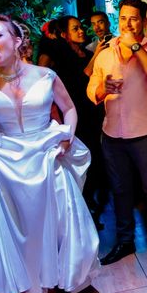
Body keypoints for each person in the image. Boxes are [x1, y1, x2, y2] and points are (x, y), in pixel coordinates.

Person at [0, 14, 99, 293]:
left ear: (17, 40)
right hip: (7, 162)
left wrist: (67, 135)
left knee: (51, 227)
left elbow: (70, 108)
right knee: (17, 230)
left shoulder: (46, 75)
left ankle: (52, 287)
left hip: (45, 157)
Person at [87, 0, 147, 266]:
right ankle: (125, 242)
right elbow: (92, 89)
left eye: (134, 18)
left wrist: (135, 46)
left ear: (144, 22)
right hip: (112, 134)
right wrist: (102, 91)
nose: (127, 23)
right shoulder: (105, 53)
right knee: (121, 190)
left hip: (146, 132)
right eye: (123, 18)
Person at [40, 15, 108, 229]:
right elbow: (81, 77)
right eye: (76, 28)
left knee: (96, 160)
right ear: (64, 34)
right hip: (73, 114)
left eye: (81, 27)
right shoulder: (60, 55)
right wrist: (97, 54)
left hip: (92, 112)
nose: (82, 31)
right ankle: (82, 214)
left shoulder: (86, 52)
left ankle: (93, 207)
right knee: (79, 162)